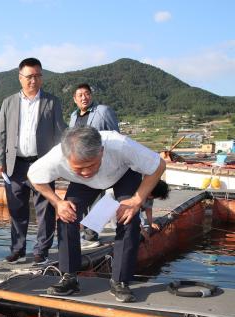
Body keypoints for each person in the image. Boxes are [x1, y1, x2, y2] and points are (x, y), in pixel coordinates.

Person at [27, 126, 166, 302]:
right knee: (66, 216)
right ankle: (69, 277)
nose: (86, 171)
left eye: (91, 165)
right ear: (67, 158)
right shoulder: (56, 157)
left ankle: (120, 281)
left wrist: (137, 200)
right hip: (83, 184)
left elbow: (159, 165)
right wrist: (57, 202)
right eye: (79, 167)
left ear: (101, 151)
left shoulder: (120, 145)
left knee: (128, 218)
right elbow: (34, 176)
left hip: (123, 174)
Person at [0, 58, 66, 265]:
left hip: (42, 164)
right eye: (29, 76)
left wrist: (59, 164)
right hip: (15, 164)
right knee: (17, 209)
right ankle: (17, 250)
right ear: (20, 78)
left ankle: (41, 250)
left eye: (37, 76)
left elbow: (60, 134)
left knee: (45, 209)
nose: (33, 80)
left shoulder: (52, 102)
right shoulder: (9, 102)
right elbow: (1, 134)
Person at [69, 83, 120, 246]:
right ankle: (84, 234)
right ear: (75, 99)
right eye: (80, 95)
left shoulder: (103, 111)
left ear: (91, 95)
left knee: (100, 200)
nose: (84, 97)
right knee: (78, 201)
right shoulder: (73, 116)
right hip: (80, 167)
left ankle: (91, 236)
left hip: (101, 164)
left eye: (87, 94)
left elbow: (115, 136)